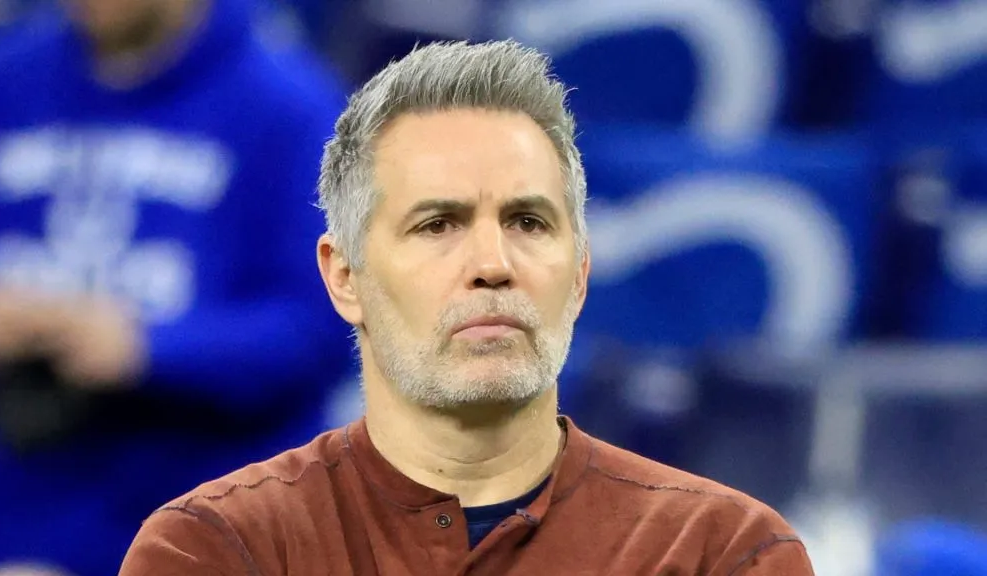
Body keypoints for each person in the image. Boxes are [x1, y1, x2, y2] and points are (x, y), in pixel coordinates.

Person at [119, 40, 816, 575]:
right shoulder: (217, 551)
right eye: (438, 224)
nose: (492, 265)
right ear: (344, 278)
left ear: (579, 273)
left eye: (528, 222)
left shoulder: (721, 555)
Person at [0, 0, 353, 572]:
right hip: (5, 511)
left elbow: (326, 323)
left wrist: (149, 347)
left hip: (202, 521)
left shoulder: (292, 109)